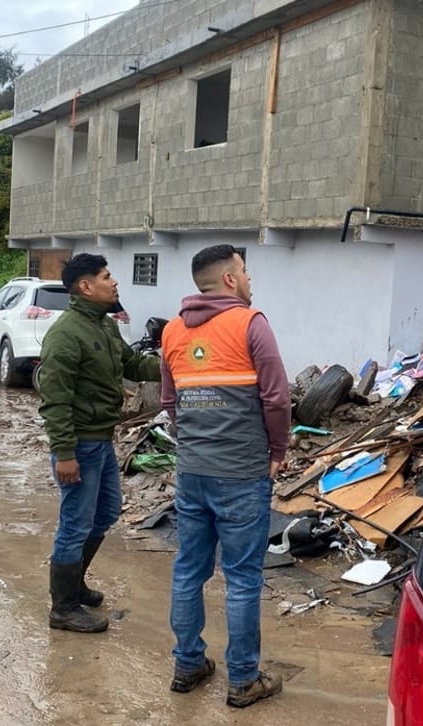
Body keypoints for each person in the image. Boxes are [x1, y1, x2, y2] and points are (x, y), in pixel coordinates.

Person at [159, 244, 291, 708]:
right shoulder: (251, 324)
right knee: (241, 578)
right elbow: (277, 398)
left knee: (188, 569)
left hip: (192, 472)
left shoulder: (173, 332)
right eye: (246, 271)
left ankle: (188, 663)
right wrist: (278, 449)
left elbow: (171, 403)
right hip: (241, 474)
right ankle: (242, 679)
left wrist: (193, 444)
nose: (250, 280)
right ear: (231, 280)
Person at [39, 253, 161, 633]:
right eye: (107, 277)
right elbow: (54, 400)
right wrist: (64, 453)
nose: (115, 282)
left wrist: (177, 362)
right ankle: (63, 608)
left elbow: (133, 365)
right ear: (86, 287)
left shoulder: (104, 327)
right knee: (75, 524)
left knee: (106, 512)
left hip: (102, 440)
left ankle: (75, 585)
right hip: (80, 444)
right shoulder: (65, 334)